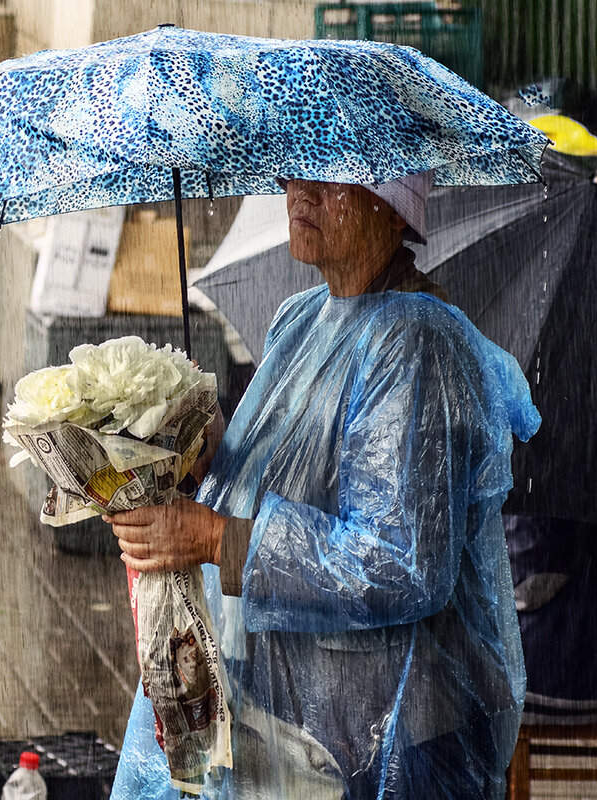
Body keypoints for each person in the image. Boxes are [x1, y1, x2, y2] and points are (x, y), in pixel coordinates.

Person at [106, 173, 541, 800]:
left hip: (390, 736)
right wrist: (208, 454)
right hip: (295, 715)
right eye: (293, 175)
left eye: (331, 180)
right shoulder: (302, 318)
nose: (299, 193)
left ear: (395, 212)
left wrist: (214, 536)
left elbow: (399, 563)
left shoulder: (416, 345)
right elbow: (296, 473)